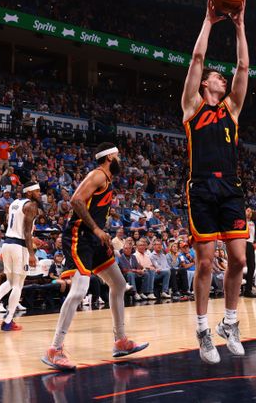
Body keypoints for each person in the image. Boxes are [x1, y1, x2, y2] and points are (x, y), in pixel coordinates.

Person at [181, 0, 249, 364]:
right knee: (206, 262)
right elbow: (196, 59)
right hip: (202, 186)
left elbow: (243, 65)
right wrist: (209, 21)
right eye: (216, 76)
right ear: (206, 84)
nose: (221, 78)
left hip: (231, 186)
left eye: (222, 78)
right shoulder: (192, 106)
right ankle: (203, 329)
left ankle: (231, 322)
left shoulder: (232, 109)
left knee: (238, 260)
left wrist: (239, 26)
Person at [42, 143, 148, 371]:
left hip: (95, 238)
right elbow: (76, 201)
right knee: (79, 290)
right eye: (118, 155)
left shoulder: (107, 180)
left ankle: (121, 340)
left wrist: (102, 233)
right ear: (110, 156)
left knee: (119, 284)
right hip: (80, 236)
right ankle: (55, 349)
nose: (121, 159)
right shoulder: (98, 175)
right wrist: (97, 230)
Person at [0, 183, 40, 331]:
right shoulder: (31, 206)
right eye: (37, 191)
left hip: (7, 243)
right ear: (29, 193)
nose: (40, 194)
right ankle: (8, 321)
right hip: (19, 246)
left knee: (10, 280)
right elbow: (27, 232)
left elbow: (12, 224)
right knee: (18, 284)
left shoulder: (15, 203)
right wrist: (32, 254)